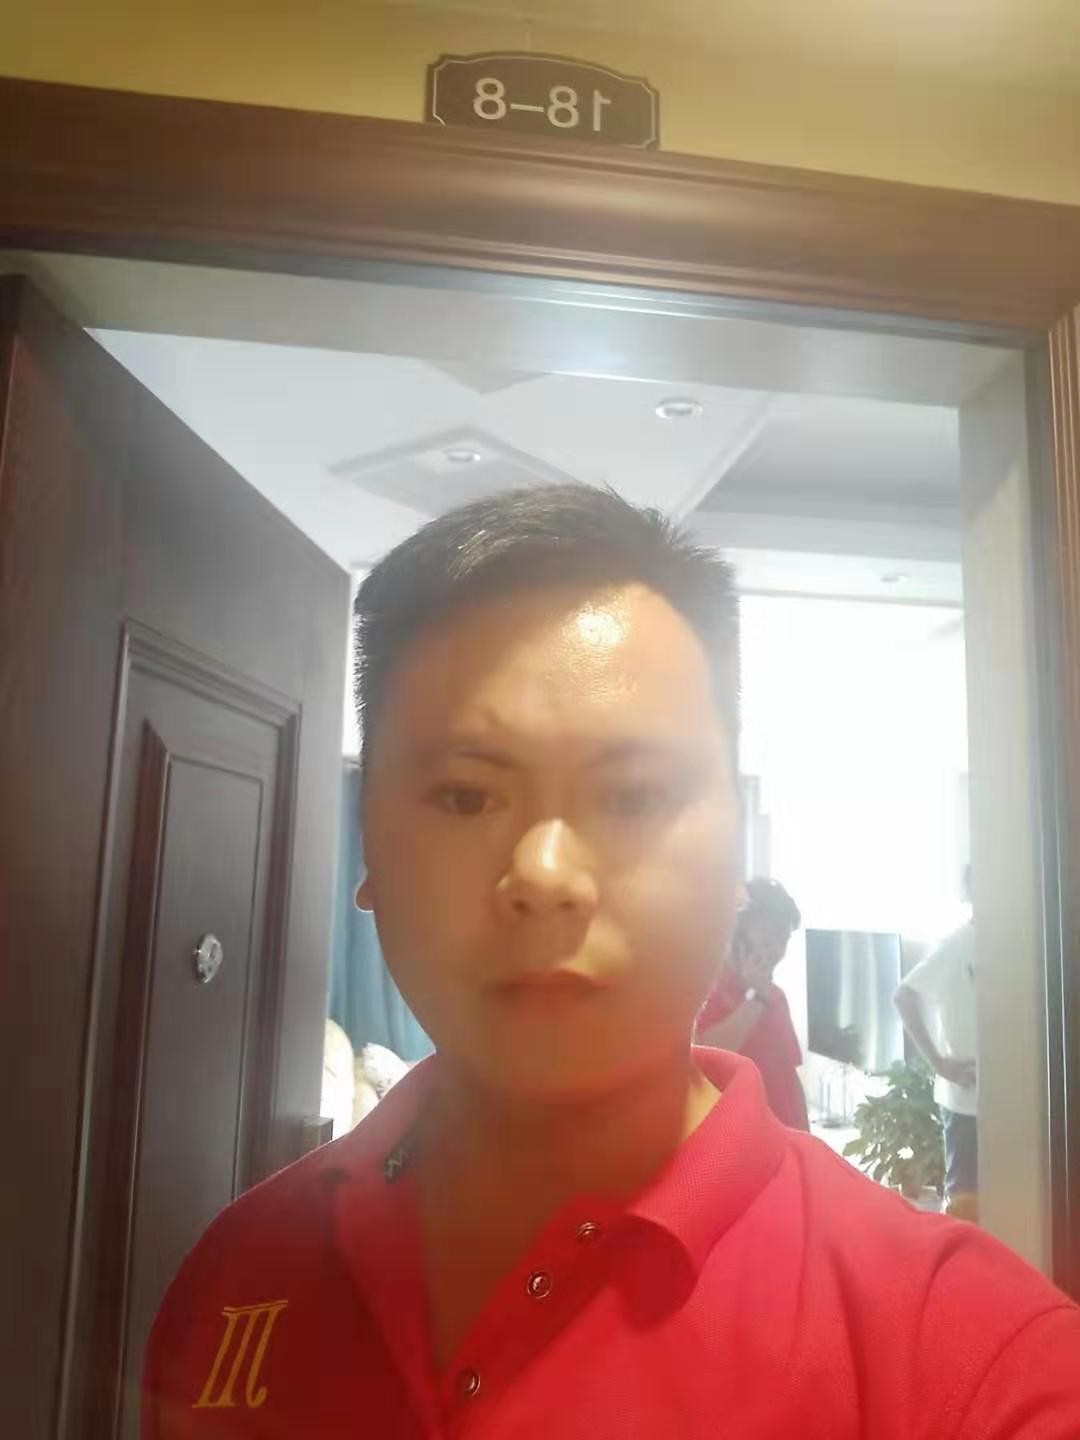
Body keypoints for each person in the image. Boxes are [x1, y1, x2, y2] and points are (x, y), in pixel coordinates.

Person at [143, 485, 1079, 1439]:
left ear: (737, 864)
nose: (545, 876)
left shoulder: (964, 1355)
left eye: (632, 797)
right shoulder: (238, 1272)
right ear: (368, 850)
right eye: (465, 797)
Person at [696, 877, 810, 1130]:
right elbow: (704, 1063)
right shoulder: (702, 993)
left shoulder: (776, 998)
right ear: (736, 935)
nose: (775, 951)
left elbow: (789, 1077)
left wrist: (807, 1140)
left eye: (783, 941)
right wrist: (756, 999)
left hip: (783, 1138)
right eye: (767, 940)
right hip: (738, 1139)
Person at [894, 892, 978, 1220]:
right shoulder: (958, 943)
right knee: (965, 1202)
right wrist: (940, 1064)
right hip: (965, 1101)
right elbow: (903, 996)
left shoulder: (1011, 942)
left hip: (1004, 1103)